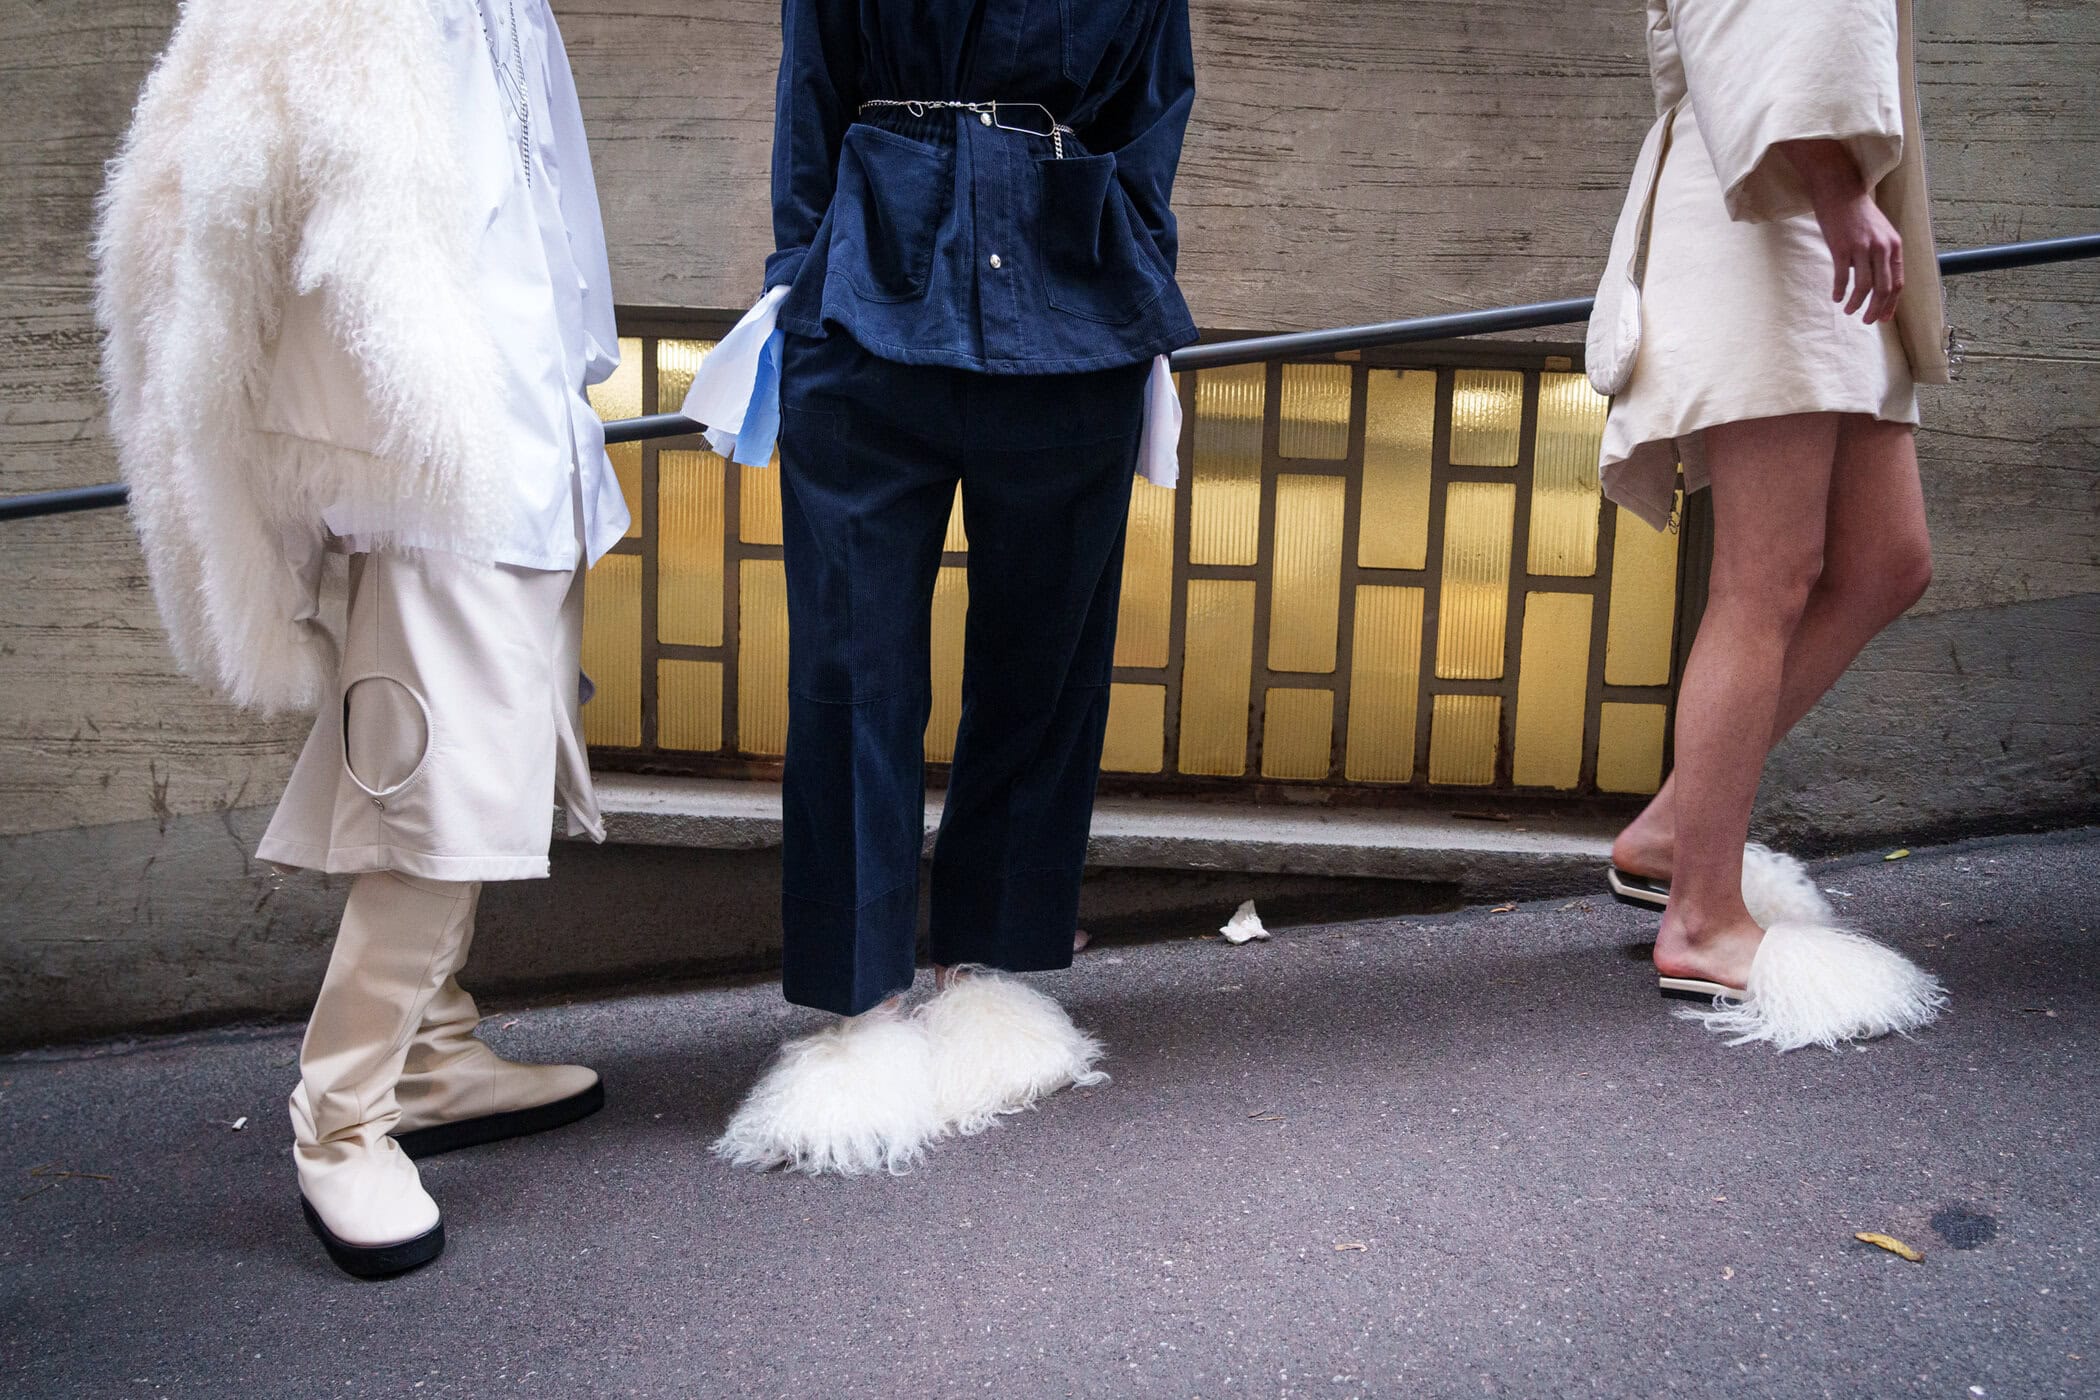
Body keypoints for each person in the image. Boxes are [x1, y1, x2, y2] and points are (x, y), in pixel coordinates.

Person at [97, 0, 625, 1275]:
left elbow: (540, 206)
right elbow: (214, 229)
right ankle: (340, 1121)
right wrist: (316, 476)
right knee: (435, 798)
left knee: (470, 770)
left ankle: (433, 1054)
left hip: (527, 445)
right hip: (422, 467)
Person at [691, 0, 1198, 1174]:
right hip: (866, 298)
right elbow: (812, 87)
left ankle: (991, 969)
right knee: (849, 666)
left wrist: (1127, 254)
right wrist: (801, 280)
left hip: (1072, 302)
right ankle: (856, 1006)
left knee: (1043, 658)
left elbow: (1154, 104)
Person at [1588, 0, 1948, 1048]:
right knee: (1766, 577)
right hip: (1776, 207)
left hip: (1817, 214)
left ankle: (1671, 833)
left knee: (1886, 561)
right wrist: (1836, 187)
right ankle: (1702, 920)